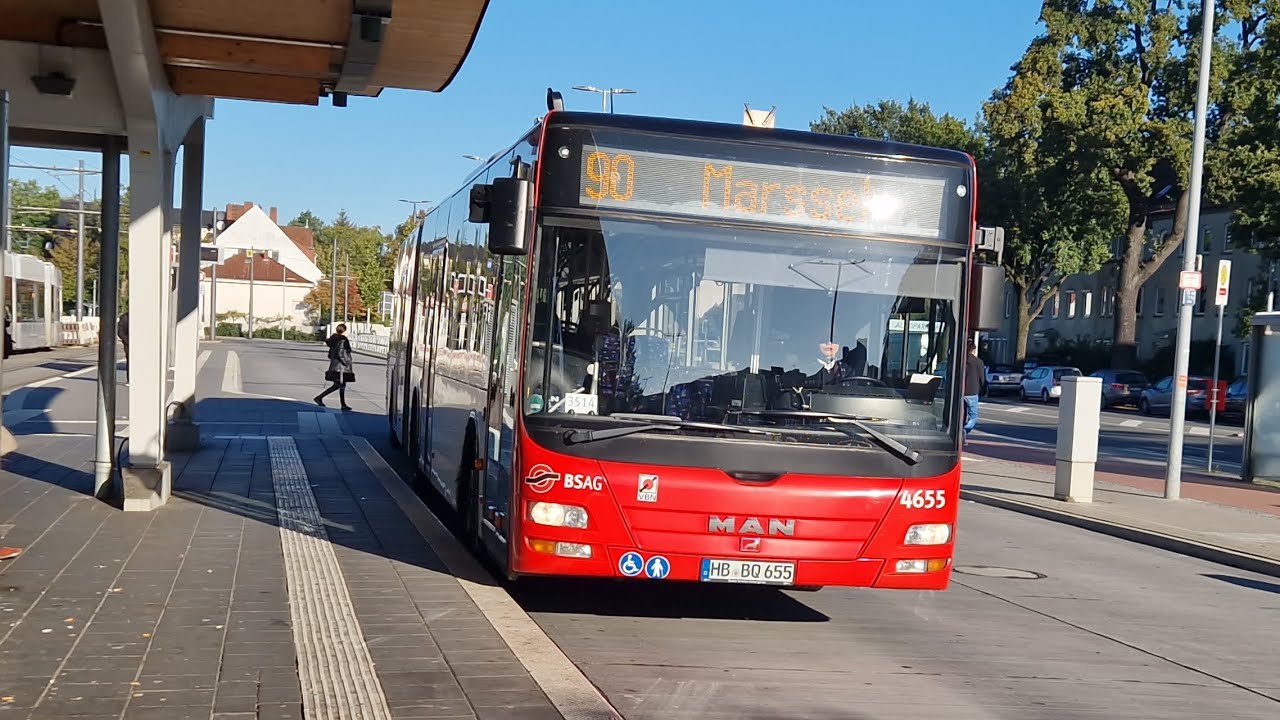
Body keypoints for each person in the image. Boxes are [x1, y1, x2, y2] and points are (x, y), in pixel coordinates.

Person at [315, 323, 354, 411]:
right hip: (341, 367)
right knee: (341, 385)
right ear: (344, 331)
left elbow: (331, 354)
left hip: (335, 365)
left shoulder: (334, 339)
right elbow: (340, 353)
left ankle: (320, 398)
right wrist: (346, 363)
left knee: (338, 385)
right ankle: (342, 404)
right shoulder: (343, 340)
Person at [962, 338, 984, 435]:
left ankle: (961, 433)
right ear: (974, 350)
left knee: (962, 414)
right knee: (973, 416)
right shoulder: (978, 362)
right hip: (973, 391)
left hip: (962, 391)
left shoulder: (962, 361)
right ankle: (965, 430)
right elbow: (982, 378)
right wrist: (982, 388)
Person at [117, 311, 130, 382]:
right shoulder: (124, 317)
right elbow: (120, 331)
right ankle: (129, 378)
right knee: (130, 360)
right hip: (128, 343)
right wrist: (126, 340)